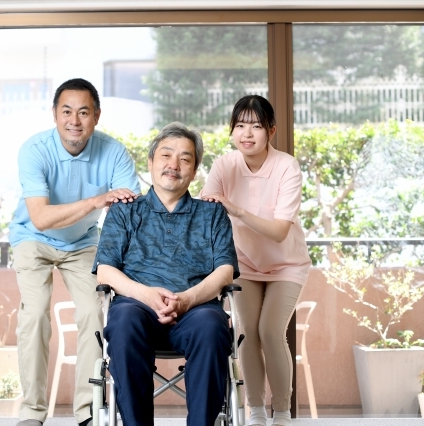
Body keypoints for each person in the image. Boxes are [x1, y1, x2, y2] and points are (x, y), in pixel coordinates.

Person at [8, 78, 142, 426]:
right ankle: (32, 412)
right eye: (67, 111)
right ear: (54, 114)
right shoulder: (34, 150)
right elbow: (40, 217)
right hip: (33, 238)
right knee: (34, 314)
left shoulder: (113, 152)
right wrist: (97, 201)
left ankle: (87, 411)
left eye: (84, 112)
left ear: (96, 116)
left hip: (82, 242)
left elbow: (133, 211)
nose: (75, 120)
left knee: (93, 314)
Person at [92, 122, 240, 426]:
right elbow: (105, 270)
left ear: (194, 171)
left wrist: (186, 300)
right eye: (166, 155)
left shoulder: (211, 213)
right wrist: (146, 295)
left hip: (196, 310)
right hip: (136, 307)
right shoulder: (124, 210)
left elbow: (225, 270)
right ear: (150, 162)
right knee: (123, 321)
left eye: (185, 159)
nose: (174, 165)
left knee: (212, 326)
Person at [201, 95, 311, 426]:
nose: (246, 133)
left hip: (286, 264)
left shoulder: (286, 166)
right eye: (240, 125)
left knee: (270, 330)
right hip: (244, 264)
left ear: (271, 131)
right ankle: (257, 411)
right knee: (247, 332)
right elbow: (205, 212)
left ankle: (282, 412)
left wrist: (236, 210)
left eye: (256, 126)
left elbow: (279, 231)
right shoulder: (224, 165)